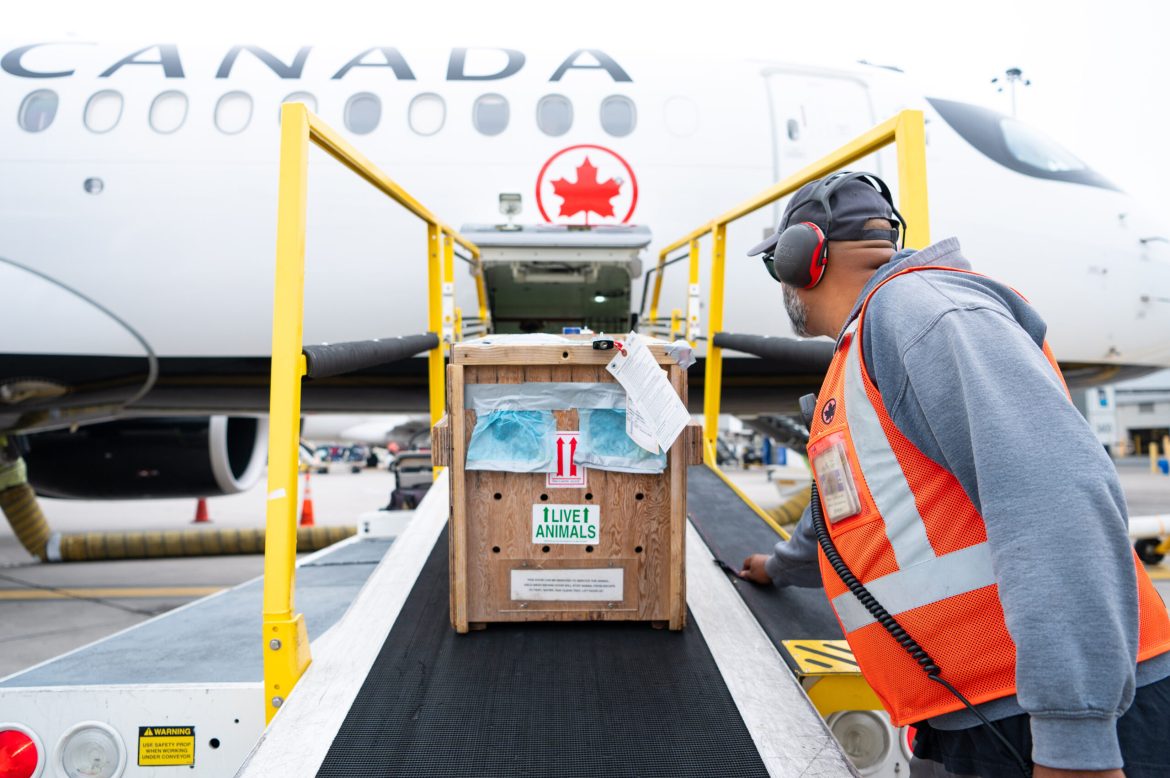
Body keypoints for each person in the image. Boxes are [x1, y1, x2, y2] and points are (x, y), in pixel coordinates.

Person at [737, 171, 1170, 778]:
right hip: (985, 712)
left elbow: (1056, 503)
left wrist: (1076, 743)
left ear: (802, 258)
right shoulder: (866, 346)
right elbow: (849, 517)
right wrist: (779, 567)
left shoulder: (922, 315)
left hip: (1055, 717)